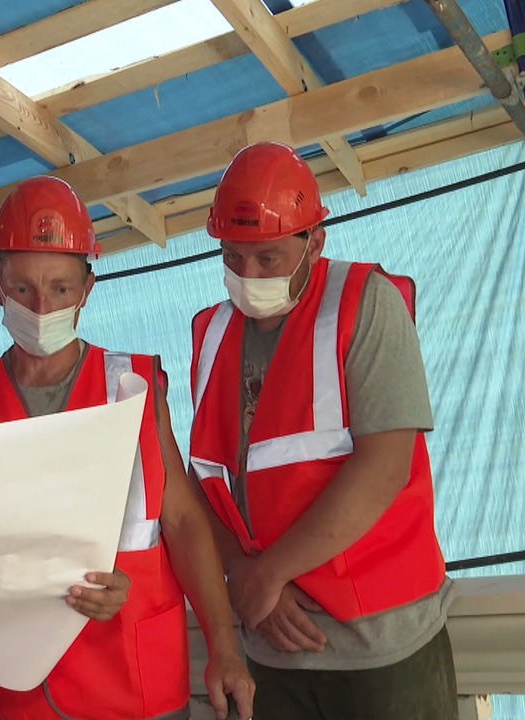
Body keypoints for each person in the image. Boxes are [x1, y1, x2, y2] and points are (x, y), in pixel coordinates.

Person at [0, 176, 253, 720]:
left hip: (138, 684)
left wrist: (225, 648)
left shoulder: (135, 386)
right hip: (24, 692)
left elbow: (183, 522)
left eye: (60, 289)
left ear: (87, 290)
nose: (41, 307)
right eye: (23, 289)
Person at [188, 141, 456, 719]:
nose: (247, 277)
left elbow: (384, 466)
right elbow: (204, 479)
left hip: (382, 649)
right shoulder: (212, 335)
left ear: (315, 242)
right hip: (271, 652)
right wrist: (243, 572)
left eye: (268, 259)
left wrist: (269, 574)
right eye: (232, 259)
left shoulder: (367, 304)